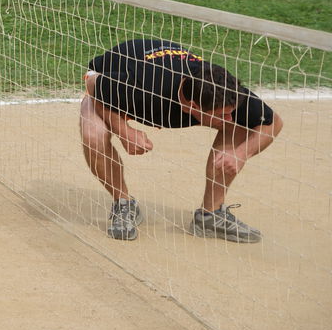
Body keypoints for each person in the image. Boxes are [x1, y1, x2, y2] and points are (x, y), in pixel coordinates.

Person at [80, 38, 283, 243]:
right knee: (93, 135)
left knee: (242, 124)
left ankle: (210, 216)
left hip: (159, 80)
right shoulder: (143, 87)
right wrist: (124, 132)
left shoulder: (225, 91)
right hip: (115, 88)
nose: (228, 117)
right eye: (222, 114)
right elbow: (92, 82)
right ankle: (123, 203)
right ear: (193, 107)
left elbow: (273, 122)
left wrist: (241, 153)